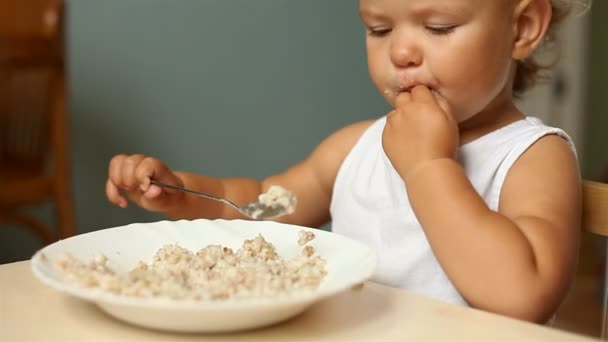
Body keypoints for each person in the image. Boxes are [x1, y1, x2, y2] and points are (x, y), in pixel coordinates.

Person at [106, 0, 586, 323]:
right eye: (378, 29)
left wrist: (428, 168)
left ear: (521, 29)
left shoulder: (533, 157)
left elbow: (524, 296)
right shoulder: (356, 147)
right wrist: (181, 192)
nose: (400, 51)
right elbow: (262, 205)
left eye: (439, 27)